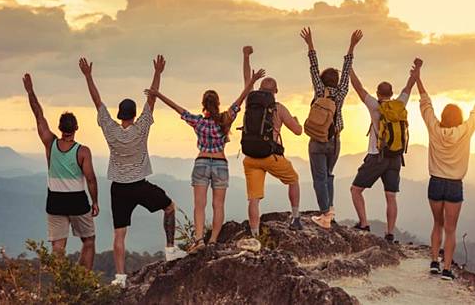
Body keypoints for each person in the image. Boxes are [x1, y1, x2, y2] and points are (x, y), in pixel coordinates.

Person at [79, 55, 186, 289]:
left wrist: (88, 76)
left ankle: (120, 278)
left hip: (119, 188)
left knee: (119, 234)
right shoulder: (142, 127)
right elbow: (152, 99)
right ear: (134, 115)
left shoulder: (110, 129)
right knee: (169, 207)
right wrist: (158, 72)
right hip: (140, 185)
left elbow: (97, 102)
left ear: (119, 115)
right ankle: (170, 249)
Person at [146, 66, 266, 253]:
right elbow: (241, 99)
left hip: (201, 162)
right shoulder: (226, 119)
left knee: (199, 206)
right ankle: (213, 241)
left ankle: (199, 239)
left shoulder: (199, 122)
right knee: (218, 205)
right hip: (220, 164)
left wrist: (157, 94)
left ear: (203, 104)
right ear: (218, 103)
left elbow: (178, 108)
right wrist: (253, 81)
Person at [413, 66, 475, 281]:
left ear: (443, 117)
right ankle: (446, 269)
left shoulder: (434, 128)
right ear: (459, 118)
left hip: (435, 182)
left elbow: (425, 104)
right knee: (451, 229)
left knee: (437, 224)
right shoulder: (465, 131)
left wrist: (417, 78)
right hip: (454, 184)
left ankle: (434, 262)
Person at [22, 73, 98, 269]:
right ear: (76, 128)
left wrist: (30, 91)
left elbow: (38, 115)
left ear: (59, 127)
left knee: (58, 247)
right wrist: (95, 202)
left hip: (55, 200)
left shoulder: (50, 143)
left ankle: (61, 288)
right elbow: (90, 179)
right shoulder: (82, 151)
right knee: (88, 241)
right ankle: (83, 281)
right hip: (77, 200)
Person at [349, 58, 422, 242]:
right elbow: (409, 87)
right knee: (391, 196)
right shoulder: (400, 104)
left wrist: (349, 68)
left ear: (378, 93)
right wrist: (417, 69)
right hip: (396, 157)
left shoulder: (375, 106)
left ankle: (364, 224)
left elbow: (358, 87)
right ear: (391, 93)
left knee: (355, 190)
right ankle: (389, 234)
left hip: (377, 156)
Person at [300, 28, 363, 228]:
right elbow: (346, 69)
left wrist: (310, 44)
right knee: (328, 175)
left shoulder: (320, 90)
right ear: (336, 81)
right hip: (334, 141)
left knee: (319, 178)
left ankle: (325, 214)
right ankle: (330, 211)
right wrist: (352, 45)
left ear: (322, 79)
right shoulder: (342, 91)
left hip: (317, 140)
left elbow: (313, 66)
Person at [241, 46, 304, 245]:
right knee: (293, 179)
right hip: (271, 156)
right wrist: (295, 119)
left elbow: (246, 79)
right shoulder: (278, 108)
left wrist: (246, 56)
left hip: (250, 158)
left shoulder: (250, 102)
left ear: (258, 90)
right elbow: (298, 131)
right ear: (275, 91)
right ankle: (295, 218)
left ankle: (253, 236)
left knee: (254, 198)